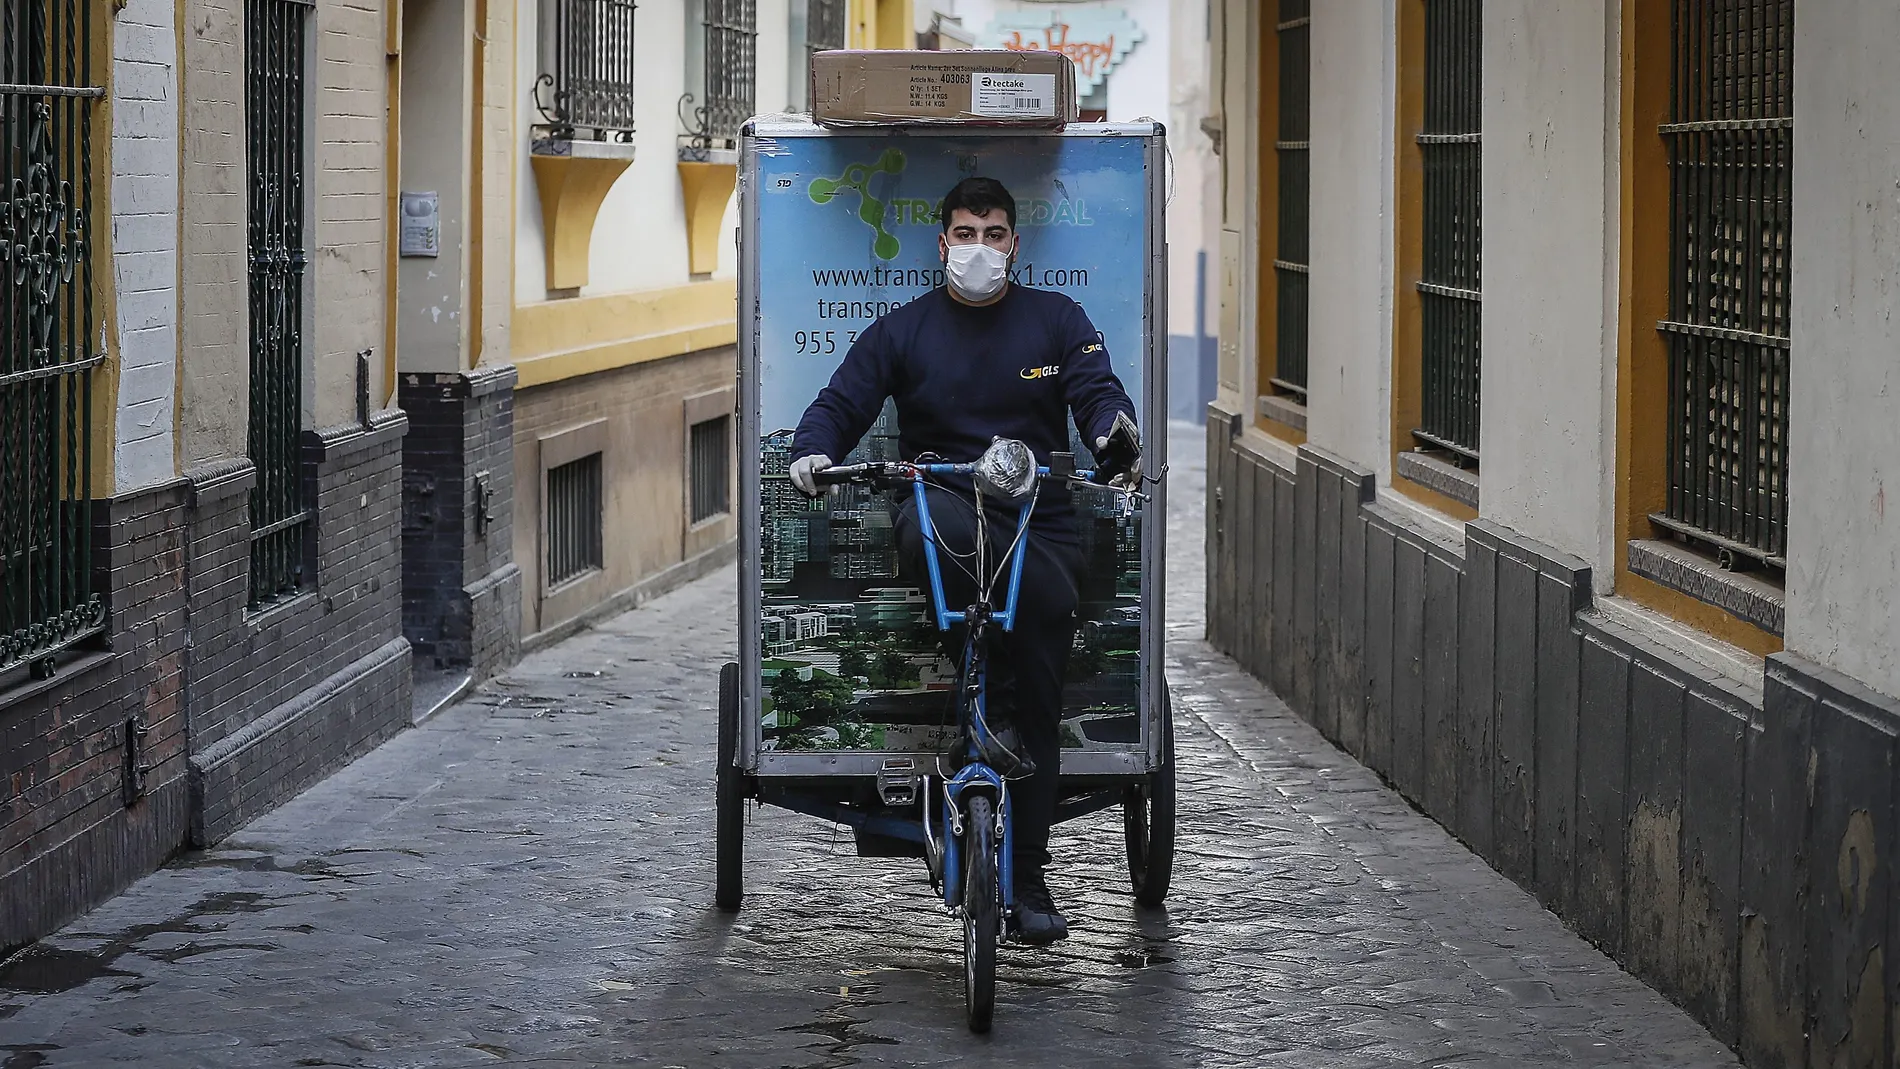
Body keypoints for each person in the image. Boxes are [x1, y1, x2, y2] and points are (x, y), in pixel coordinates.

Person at [786, 176, 1141, 945]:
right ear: (942, 243)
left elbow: (1098, 393)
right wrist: (813, 451)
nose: (979, 247)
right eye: (965, 233)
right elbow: (842, 401)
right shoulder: (904, 330)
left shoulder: (1057, 319)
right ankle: (988, 687)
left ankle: (1034, 874)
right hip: (945, 507)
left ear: (1015, 244)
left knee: (1041, 696)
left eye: (993, 233)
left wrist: (1116, 436)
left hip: (1039, 523)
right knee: (928, 535)